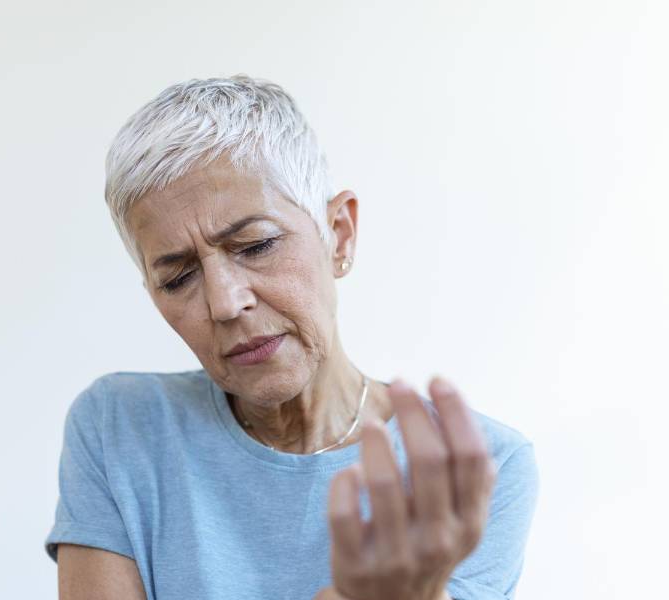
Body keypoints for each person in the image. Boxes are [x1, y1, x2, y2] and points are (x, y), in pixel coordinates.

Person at [45, 74, 538, 600]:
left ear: (339, 235)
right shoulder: (121, 428)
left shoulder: (481, 467)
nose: (225, 302)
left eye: (256, 245)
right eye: (178, 278)